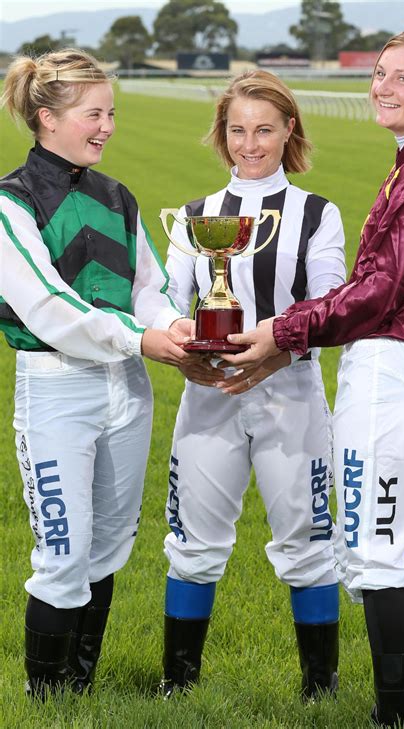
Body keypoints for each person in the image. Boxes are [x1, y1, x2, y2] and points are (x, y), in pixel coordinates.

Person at [219, 28, 404, 727]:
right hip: (393, 369)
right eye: (380, 74)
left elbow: (382, 290)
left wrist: (283, 328)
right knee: (368, 553)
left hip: (390, 371)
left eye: (402, 79)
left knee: (373, 554)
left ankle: (394, 715)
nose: (382, 88)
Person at [0, 48, 198, 699]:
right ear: (46, 117)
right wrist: (141, 337)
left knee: (108, 547)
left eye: (111, 112)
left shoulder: (118, 195)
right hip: (57, 389)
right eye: (93, 113)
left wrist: (173, 327)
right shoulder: (12, 202)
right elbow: (51, 309)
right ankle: (45, 698)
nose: (107, 125)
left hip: (126, 388)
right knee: (62, 554)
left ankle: (78, 690)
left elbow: (150, 287)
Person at [158, 69, 346, 700]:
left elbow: (330, 303)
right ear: (223, 134)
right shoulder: (194, 216)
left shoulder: (317, 214)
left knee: (309, 543)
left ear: (289, 129)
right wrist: (183, 338)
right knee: (193, 542)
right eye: (238, 130)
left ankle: (319, 690)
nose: (250, 143)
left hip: (291, 393)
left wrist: (276, 349)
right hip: (210, 392)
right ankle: (177, 687)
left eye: (264, 129)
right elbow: (165, 300)